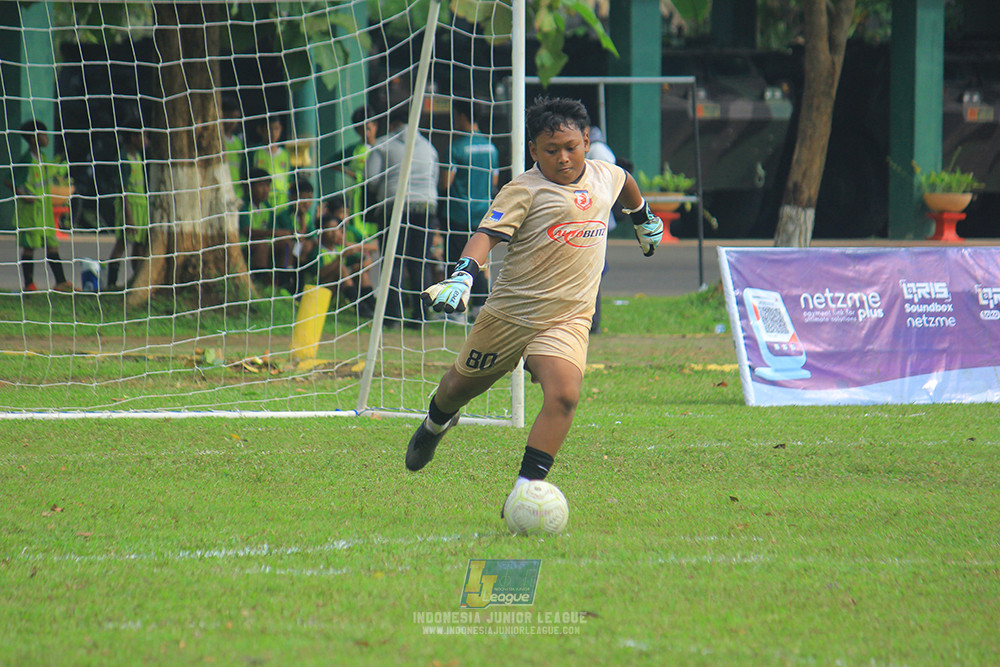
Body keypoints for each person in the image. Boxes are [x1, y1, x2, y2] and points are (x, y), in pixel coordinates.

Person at [404, 96, 663, 511]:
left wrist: (643, 217)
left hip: (568, 318)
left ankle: (526, 492)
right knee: (456, 388)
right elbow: (486, 234)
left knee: (564, 395)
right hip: (511, 314)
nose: (563, 158)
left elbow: (626, 183)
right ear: (533, 151)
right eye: (551, 150)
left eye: (571, 148)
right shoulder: (523, 189)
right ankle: (433, 427)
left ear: (585, 141)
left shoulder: (604, 175)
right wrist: (464, 274)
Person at [365, 103, 440, 328]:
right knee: (420, 262)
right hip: (426, 207)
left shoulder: (382, 145)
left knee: (393, 261)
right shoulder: (429, 147)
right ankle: (422, 316)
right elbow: (434, 177)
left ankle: (392, 316)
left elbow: (371, 180)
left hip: (394, 206)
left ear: (392, 123)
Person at [441, 99, 499, 319]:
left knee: (458, 259)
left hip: (458, 211)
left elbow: (446, 182)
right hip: (483, 213)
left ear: (462, 116)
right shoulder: (491, 147)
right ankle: (480, 307)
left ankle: (455, 309)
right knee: (480, 260)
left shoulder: (456, 147)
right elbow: (494, 180)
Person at [7, 120, 75, 292]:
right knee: (30, 247)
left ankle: (61, 282)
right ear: (33, 138)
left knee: (52, 244)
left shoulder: (43, 158)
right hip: (30, 213)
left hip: (44, 212)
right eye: (43, 134)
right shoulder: (26, 160)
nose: (46, 138)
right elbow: (9, 180)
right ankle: (29, 284)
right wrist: (24, 196)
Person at [107, 127, 149, 289]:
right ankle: (111, 284)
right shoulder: (123, 159)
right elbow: (122, 190)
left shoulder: (138, 156)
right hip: (129, 208)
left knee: (139, 246)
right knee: (121, 244)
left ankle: (137, 281)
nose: (146, 140)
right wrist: (128, 216)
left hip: (141, 208)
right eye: (143, 136)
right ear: (133, 137)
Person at [585, 125, 617, 334]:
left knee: (594, 269)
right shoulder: (597, 149)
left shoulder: (597, 151)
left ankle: (592, 322)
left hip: (595, 216)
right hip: (593, 216)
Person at [239, 167, 283, 275]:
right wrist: (271, 233)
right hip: (243, 247)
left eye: (268, 186)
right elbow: (246, 231)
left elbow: (274, 229)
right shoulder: (242, 205)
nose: (266, 190)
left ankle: (284, 280)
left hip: (265, 243)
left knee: (286, 244)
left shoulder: (267, 207)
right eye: (261, 185)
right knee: (262, 245)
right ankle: (260, 281)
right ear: (250, 187)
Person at [252, 115, 293, 214]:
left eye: (276, 128)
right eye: (269, 129)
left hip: (282, 202)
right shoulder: (255, 152)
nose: (273, 133)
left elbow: (290, 179)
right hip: (264, 200)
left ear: (281, 129)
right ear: (261, 130)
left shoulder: (285, 154)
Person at [221, 95, 249, 204]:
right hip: (221, 190)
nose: (233, 122)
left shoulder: (238, 142)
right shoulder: (217, 140)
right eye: (230, 117)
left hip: (236, 193)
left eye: (235, 118)